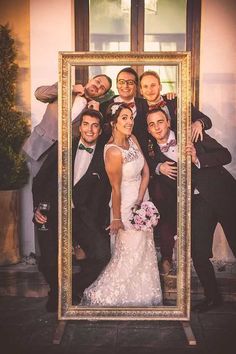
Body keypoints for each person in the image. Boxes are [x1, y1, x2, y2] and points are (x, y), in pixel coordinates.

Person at [146, 108, 236, 312]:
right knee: (199, 252)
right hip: (197, 203)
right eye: (152, 124)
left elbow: (226, 155)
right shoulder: (153, 152)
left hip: (224, 195)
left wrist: (198, 159)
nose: (157, 127)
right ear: (149, 130)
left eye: (160, 121)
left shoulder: (192, 134)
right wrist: (158, 167)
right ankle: (213, 297)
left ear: (168, 122)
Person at [81, 102, 162, 306]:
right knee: (129, 252)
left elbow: (146, 172)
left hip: (141, 199)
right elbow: (115, 189)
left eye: (131, 117)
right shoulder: (113, 152)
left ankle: (142, 294)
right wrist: (117, 218)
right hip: (124, 204)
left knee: (144, 249)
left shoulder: (133, 139)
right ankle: (107, 296)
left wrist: (142, 200)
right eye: (124, 118)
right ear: (114, 123)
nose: (129, 122)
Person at [32, 109, 111, 312]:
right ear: (80, 126)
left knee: (102, 255)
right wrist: (37, 209)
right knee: (49, 262)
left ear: (100, 130)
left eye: (95, 125)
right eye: (86, 124)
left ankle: (71, 289)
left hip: (83, 216)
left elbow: (105, 192)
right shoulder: (64, 147)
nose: (90, 129)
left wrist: (98, 223)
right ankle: (55, 292)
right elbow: (40, 180)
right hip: (52, 212)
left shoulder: (106, 153)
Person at [140, 70, 212, 274]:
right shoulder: (138, 108)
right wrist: (156, 166)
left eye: (153, 85)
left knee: (190, 216)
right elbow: (142, 146)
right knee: (165, 210)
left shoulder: (174, 102)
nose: (149, 90)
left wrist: (198, 122)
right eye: (145, 86)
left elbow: (205, 119)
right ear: (141, 90)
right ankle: (167, 257)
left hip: (187, 165)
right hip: (161, 173)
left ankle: (194, 258)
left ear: (160, 86)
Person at [23, 74, 112, 176]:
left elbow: (92, 138)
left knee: (51, 190)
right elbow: (39, 94)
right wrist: (70, 88)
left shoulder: (93, 111)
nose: (98, 86)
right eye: (98, 81)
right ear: (91, 79)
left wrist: (96, 113)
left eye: (102, 88)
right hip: (38, 146)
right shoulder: (65, 87)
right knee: (31, 187)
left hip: (62, 158)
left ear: (102, 95)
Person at [100, 67, 149, 154]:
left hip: (142, 158)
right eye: (121, 82)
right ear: (117, 84)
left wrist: (171, 97)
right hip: (112, 156)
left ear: (136, 86)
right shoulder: (103, 107)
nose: (125, 86)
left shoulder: (146, 105)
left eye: (130, 82)